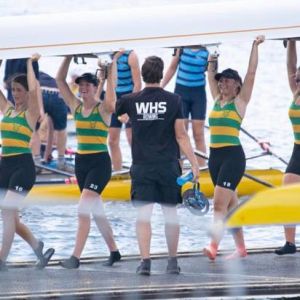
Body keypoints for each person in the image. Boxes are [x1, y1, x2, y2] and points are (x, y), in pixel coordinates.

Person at [116, 56, 199, 275]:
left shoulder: (129, 100)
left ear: (142, 75)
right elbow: (181, 136)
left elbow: (117, 114)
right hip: (168, 165)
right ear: (162, 75)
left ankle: (145, 263)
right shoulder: (174, 100)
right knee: (170, 214)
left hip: (142, 165)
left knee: (143, 215)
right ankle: (172, 262)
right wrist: (195, 164)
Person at [55, 56, 121, 269]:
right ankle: (114, 251)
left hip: (99, 164)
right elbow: (59, 79)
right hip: (81, 162)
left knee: (83, 209)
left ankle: (75, 258)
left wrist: (110, 70)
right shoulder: (75, 105)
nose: (82, 88)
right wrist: (67, 56)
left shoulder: (103, 109)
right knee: (96, 211)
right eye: (80, 85)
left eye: (87, 85)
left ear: (95, 88)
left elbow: (112, 98)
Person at [203, 36, 265, 261]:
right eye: (222, 81)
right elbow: (210, 75)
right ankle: (241, 249)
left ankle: (213, 246)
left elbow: (251, 73)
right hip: (215, 157)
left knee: (218, 204)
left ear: (237, 85)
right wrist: (212, 55)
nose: (223, 84)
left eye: (228, 81)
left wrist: (254, 46)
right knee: (231, 206)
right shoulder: (217, 99)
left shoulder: (239, 102)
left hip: (232, 157)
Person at [0, 55, 54, 271]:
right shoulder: (8, 110)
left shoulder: (31, 114)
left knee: (7, 210)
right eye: (13, 90)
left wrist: (31, 65)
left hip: (23, 167)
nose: (15, 94)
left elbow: (33, 88)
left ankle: (1, 260)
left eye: (18, 90)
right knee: (11, 216)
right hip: (5, 166)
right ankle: (37, 246)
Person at [161, 47, 209, 167]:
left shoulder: (207, 50)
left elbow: (213, 73)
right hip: (181, 93)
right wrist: (160, 87)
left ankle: (202, 169)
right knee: (181, 133)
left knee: (198, 134)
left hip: (198, 95)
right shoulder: (182, 47)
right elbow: (172, 67)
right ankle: (179, 168)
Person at [275, 40, 300, 255]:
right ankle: (290, 244)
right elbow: (290, 67)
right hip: (297, 149)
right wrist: (291, 41)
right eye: (297, 78)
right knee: (287, 194)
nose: (296, 78)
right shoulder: (297, 93)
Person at [32, 71, 72, 172]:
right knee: (61, 129)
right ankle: (61, 162)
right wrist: (46, 156)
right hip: (58, 93)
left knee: (33, 129)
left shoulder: (32, 76)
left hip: (41, 91)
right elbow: (51, 129)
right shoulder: (51, 79)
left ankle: (36, 164)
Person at [109, 50, 141, 171]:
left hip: (129, 98)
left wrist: (129, 109)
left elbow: (138, 84)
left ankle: (139, 168)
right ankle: (118, 172)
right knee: (112, 140)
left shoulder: (131, 55)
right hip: (113, 98)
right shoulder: (107, 54)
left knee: (132, 138)